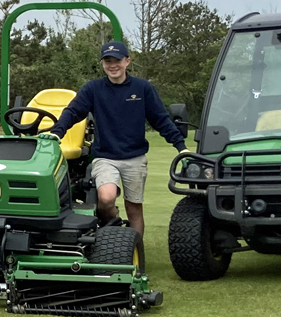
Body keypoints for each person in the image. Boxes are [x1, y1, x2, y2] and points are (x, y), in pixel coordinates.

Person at [48, 40, 186, 235]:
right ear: (103, 64)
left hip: (135, 157)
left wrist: (181, 146)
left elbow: (161, 120)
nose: (113, 65)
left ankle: (135, 254)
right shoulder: (93, 89)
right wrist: (57, 132)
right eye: (107, 61)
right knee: (106, 198)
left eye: (117, 60)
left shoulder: (142, 88)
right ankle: (113, 229)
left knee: (134, 208)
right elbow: (73, 112)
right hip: (105, 156)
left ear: (127, 61)